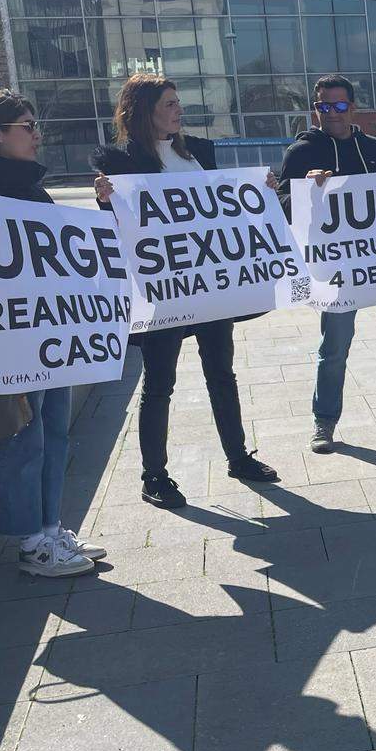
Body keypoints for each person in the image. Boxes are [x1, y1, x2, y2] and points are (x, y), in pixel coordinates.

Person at [0, 90, 102, 577]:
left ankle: (50, 529)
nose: (37, 135)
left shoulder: (26, 185)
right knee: (24, 437)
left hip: (48, 330)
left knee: (53, 432)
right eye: (27, 126)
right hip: (15, 339)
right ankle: (31, 544)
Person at [92, 74, 279, 507]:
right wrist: (104, 201)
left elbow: (224, 209)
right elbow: (115, 228)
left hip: (208, 285)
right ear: (144, 111)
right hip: (162, 291)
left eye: (178, 103)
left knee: (222, 374)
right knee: (159, 383)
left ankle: (238, 457)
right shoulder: (119, 163)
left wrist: (263, 191)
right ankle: (154, 476)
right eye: (170, 104)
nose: (179, 110)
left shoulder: (197, 151)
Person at [279, 75, 376, 453]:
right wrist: (304, 190)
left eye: (339, 105)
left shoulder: (373, 147)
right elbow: (281, 206)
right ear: (315, 109)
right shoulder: (300, 153)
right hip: (336, 268)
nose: (332, 113)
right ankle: (324, 420)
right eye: (324, 106)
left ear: (353, 107)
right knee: (335, 347)